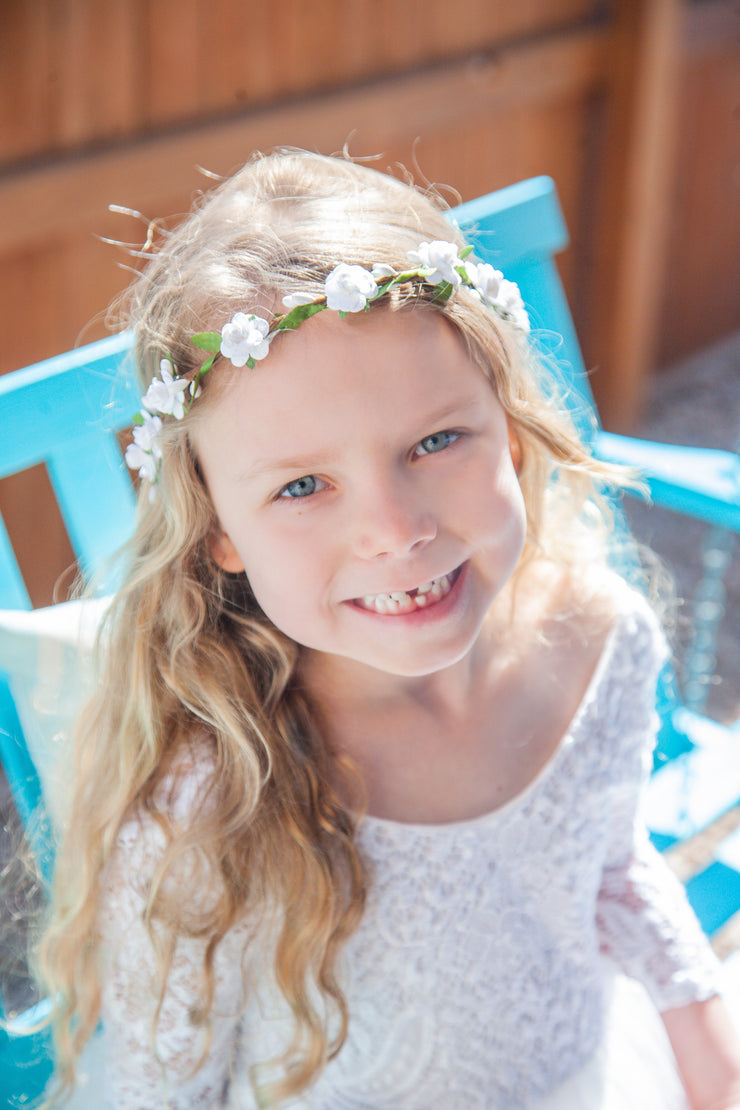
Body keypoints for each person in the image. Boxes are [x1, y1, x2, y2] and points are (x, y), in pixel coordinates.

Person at [37, 150, 740, 1109]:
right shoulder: (216, 800)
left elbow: (608, 863)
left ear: (515, 427)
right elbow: (167, 1086)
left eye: (436, 441)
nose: (397, 530)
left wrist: (704, 1046)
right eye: (302, 486)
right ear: (220, 533)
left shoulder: (597, 641)